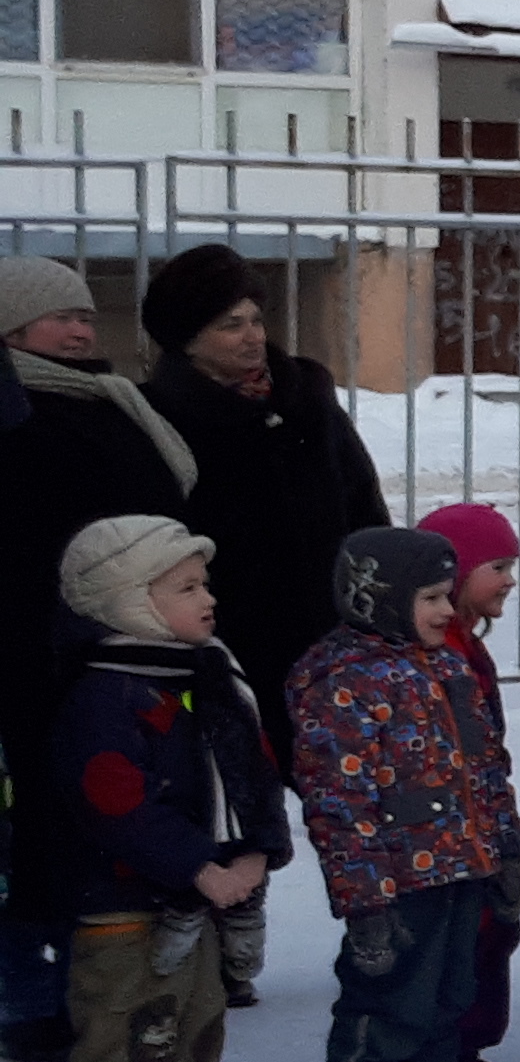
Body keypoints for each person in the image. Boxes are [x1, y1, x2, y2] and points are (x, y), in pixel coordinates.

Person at [141, 244, 389, 1011]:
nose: (251, 338)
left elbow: (362, 501)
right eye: (227, 326)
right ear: (185, 339)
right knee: (231, 804)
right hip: (227, 642)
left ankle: (386, 932)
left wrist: (378, 602)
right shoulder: (162, 418)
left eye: (255, 319)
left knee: (359, 795)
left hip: (327, 635)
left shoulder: (307, 396)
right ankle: (222, 956)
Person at [47, 515, 283, 1062]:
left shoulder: (192, 679)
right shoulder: (107, 696)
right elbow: (115, 804)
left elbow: (243, 773)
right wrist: (198, 867)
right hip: (126, 908)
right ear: (127, 602)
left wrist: (252, 849)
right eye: (184, 587)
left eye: (203, 582)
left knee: (194, 1030)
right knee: (132, 1042)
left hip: (187, 904)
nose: (207, 598)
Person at [0, 258, 195, 1062]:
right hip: (35, 649)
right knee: (42, 822)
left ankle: (109, 983)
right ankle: (32, 1001)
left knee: (119, 806)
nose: (82, 329)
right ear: (11, 331)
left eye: (85, 315)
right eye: (59, 319)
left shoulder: (107, 398)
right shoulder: (15, 411)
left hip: (123, 640)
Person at [288, 526, 520, 1062]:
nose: (449, 612)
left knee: (449, 992)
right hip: (396, 877)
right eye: (432, 599)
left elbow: (485, 766)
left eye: (449, 596)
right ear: (380, 599)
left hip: (460, 861)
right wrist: (364, 899)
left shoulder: (445, 666)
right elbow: (339, 802)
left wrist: (505, 847)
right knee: (392, 996)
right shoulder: (342, 682)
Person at [421, 502, 520, 1062]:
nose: (511, 579)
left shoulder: (464, 645)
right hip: (456, 826)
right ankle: (450, 1056)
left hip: (485, 814)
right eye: (498, 565)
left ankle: (467, 1051)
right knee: (465, 937)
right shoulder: (442, 652)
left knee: (491, 930)